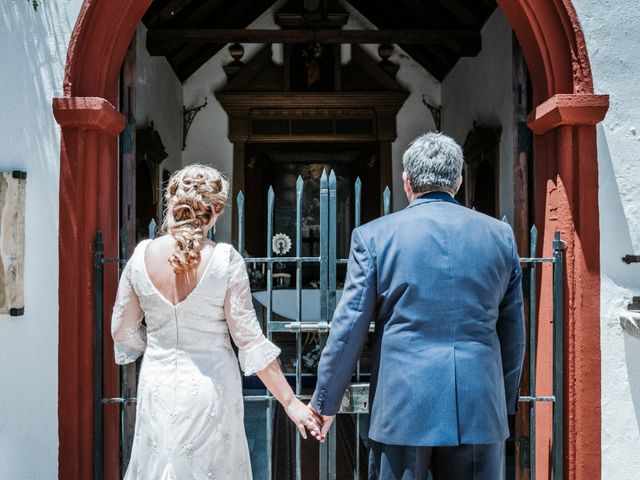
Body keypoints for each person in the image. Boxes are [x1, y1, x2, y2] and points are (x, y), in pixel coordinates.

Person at [310, 133, 526, 479]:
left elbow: (349, 328)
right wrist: (501, 399)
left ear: (406, 181)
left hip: (402, 404)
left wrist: (325, 402)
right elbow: (513, 331)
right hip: (479, 402)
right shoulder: (499, 236)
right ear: (457, 181)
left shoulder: (375, 237)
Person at [111, 165, 321, 479]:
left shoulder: (141, 256)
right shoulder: (224, 259)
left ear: (171, 202)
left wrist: (157, 342)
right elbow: (248, 339)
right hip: (211, 390)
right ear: (216, 210)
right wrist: (290, 401)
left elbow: (121, 329)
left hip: (158, 386)